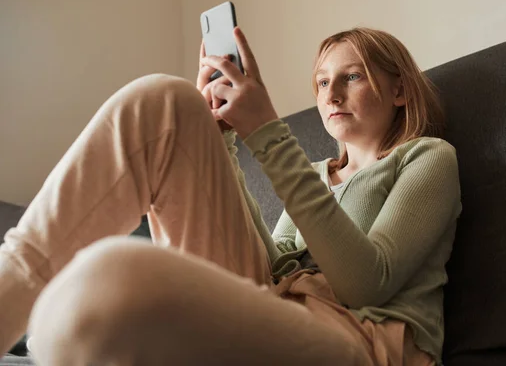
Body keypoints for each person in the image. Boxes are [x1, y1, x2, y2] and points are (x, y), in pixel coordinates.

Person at [0, 26, 461, 365]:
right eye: (323, 82)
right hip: (274, 307)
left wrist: (268, 135)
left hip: (361, 340)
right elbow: (275, 265)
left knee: (109, 283)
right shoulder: (319, 175)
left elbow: (366, 284)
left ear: (399, 89)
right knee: (167, 101)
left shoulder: (427, 158)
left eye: (352, 77)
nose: (332, 93)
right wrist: (220, 140)